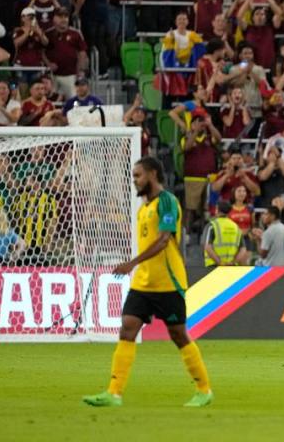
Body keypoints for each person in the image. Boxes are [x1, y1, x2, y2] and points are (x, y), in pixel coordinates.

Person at [83, 157, 212, 408]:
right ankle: (114, 393)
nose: (135, 180)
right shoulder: (143, 208)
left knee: (178, 335)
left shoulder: (167, 202)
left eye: (138, 175)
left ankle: (204, 389)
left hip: (168, 283)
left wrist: (132, 263)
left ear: (153, 174)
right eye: (133, 176)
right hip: (143, 283)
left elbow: (164, 240)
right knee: (127, 328)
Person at [202, 201, 247, 267]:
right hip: (232, 267)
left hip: (213, 266)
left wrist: (220, 263)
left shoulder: (212, 225)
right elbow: (243, 249)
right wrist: (234, 262)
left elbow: (208, 247)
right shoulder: (236, 227)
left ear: (217, 210)